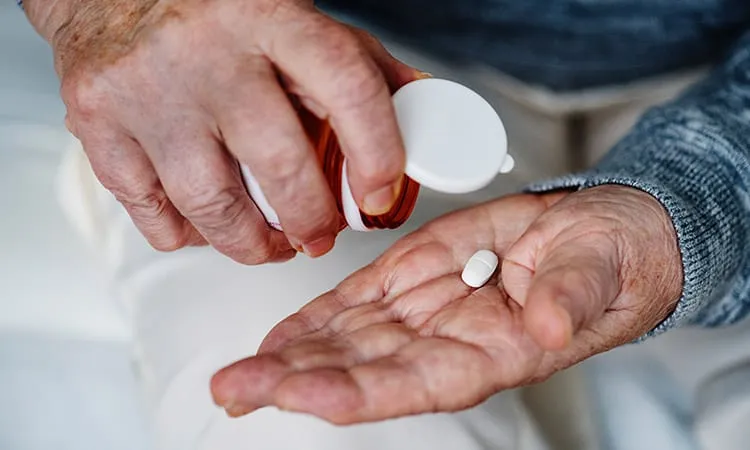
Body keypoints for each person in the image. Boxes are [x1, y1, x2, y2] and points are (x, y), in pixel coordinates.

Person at [18, 0, 750, 445]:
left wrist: (701, 187)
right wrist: (110, 13)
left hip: (727, 77)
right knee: (299, 422)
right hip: (323, 64)